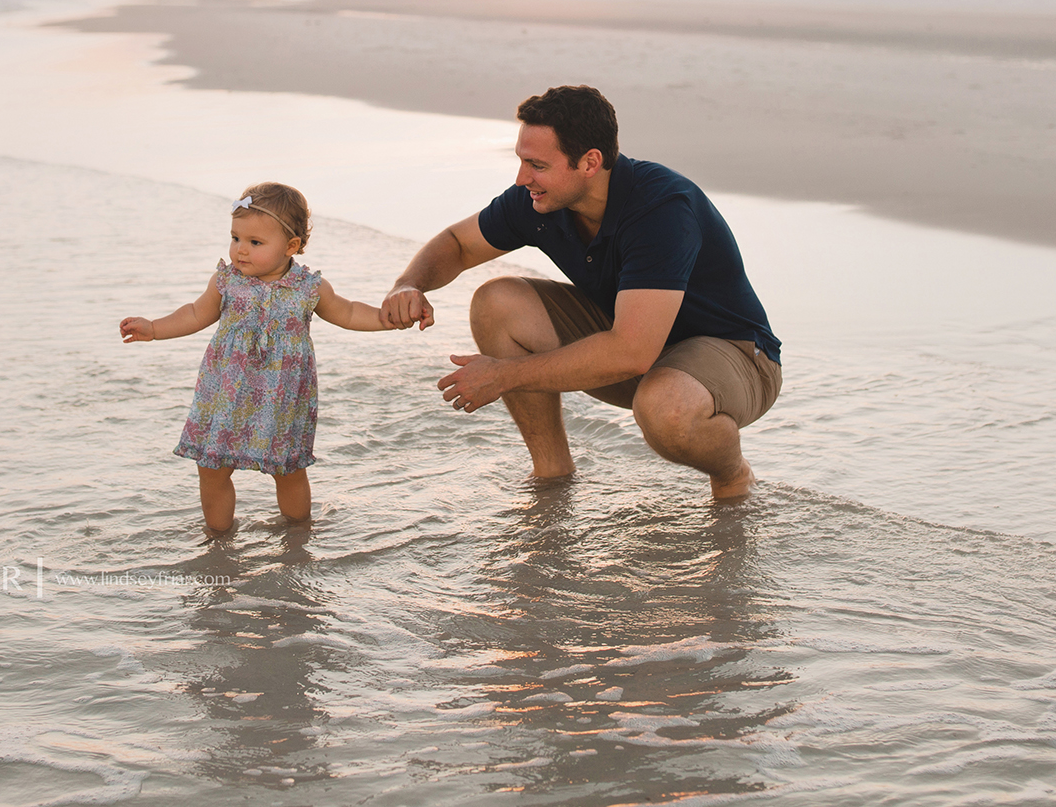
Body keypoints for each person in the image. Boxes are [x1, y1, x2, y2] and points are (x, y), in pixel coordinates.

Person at [381, 86, 781, 499]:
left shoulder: (660, 209)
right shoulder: (540, 200)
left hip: (736, 355)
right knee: (497, 302)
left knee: (667, 409)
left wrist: (502, 376)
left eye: (537, 165)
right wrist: (409, 284)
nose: (522, 179)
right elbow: (458, 243)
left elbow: (632, 352)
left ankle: (733, 476)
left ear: (590, 162)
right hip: (637, 346)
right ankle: (552, 479)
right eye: (520, 161)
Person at [119, 182, 400, 531]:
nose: (241, 251)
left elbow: (349, 312)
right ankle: (218, 541)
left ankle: (298, 535)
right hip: (225, 393)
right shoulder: (226, 281)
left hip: (281, 399)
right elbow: (194, 313)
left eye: (255, 243)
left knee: (289, 470)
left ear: (291, 246)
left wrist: (389, 320)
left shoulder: (307, 287)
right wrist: (154, 328)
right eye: (235, 238)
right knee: (211, 468)